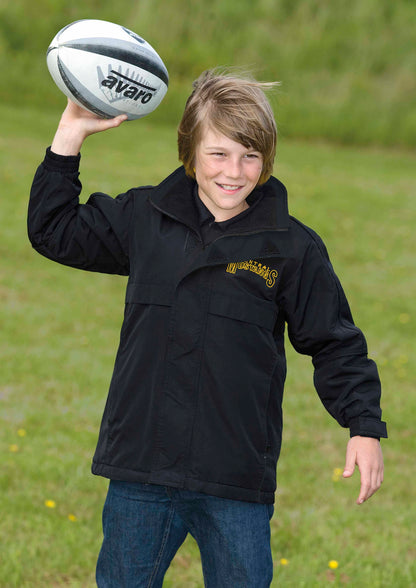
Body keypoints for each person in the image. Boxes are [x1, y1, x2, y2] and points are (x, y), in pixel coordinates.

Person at [28, 69, 387, 587]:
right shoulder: (144, 218)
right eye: (218, 154)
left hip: (234, 477)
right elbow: (52, 231)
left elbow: (334, 343)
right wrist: (70, 135)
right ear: (189, 151)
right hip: (141, 468)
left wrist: (363, 425)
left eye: (250, 156)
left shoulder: (291, 247)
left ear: (266, 161)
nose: (233, 172)